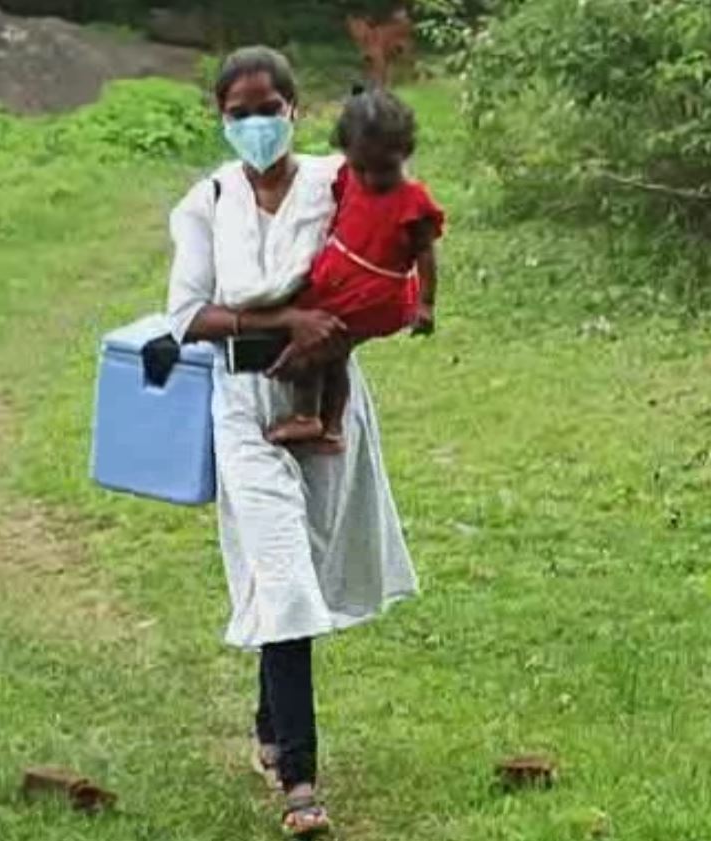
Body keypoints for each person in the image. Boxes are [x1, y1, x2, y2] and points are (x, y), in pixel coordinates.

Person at [165, 46, 418, 838]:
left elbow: (384, 245)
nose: (254, 126)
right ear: (221, 118)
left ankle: (269, 728)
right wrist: (283, 320)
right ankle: (300, 782)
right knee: (282, 570)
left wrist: (358, 317)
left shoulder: (331, 182)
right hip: (242, 402)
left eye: (265, 110)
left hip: (322, 395)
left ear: (293, 109)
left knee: (300, 563)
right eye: (237, 114)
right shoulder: (204, 202)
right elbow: (188, 316)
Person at [267, 86, 445, 452]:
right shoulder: (350, 175)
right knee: (335, 355)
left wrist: (426, 304)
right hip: (340, 282)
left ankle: (308, 417)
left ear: (405, 153)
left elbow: (426, 255)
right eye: (360, 167)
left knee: (317, 348)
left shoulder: (411, 200)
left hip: (374, 296)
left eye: (384, 169)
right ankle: (330, 429)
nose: (370, 179)